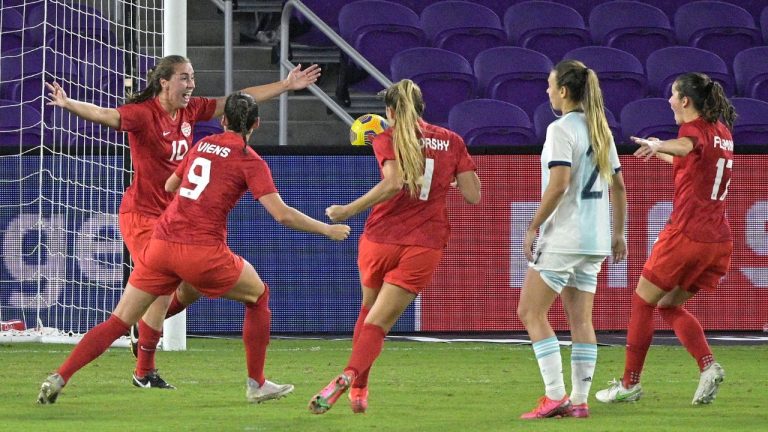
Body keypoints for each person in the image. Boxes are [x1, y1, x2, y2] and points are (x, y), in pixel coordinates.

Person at [37, 92, 351, 405]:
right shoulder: (250, 160)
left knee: (118, 320)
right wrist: (326, 229)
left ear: (223, 121)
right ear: (257, 123)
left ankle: (60, 376)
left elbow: (171, 186)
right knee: (258, 295)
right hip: (201, 249)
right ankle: (256, 384)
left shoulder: (201, 145)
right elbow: (282, 214)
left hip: (161, 244)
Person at [306, 79, 481, 415]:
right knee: (380, 323)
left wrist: (346, 211)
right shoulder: (452, 140)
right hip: (424, 244)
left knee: (368, 309)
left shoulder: (386, 138)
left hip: (379, 239)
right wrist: (453, 177)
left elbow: (393, 182)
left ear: (389, 111)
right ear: (422, 107)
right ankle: (349, 377)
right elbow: (474, 196)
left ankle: (359, 390)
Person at [596, 72, 735, 406]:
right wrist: (656, 150)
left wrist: (661, 143)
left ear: (685, 100)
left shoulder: (692, 129)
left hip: (686, 233)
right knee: (668, 304)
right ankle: (707, 366)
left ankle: (629, 384)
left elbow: (686, 145)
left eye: (673, 95)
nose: (670, 100)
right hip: (717, 239)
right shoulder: (722, 133)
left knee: (642, 301)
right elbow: (689, 158)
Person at [517, 60, 627, 419]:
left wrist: (533, 224)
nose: (547, 91)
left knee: (531, 311)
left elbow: (559, 183)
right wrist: (619, 232)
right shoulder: (601, 130)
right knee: (581, 321)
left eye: (550, 85)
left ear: (563, 91)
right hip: (594, 239)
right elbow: (620, 187)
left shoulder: (560, 129)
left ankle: (554, 395)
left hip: (564, 236)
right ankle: (579, 402)